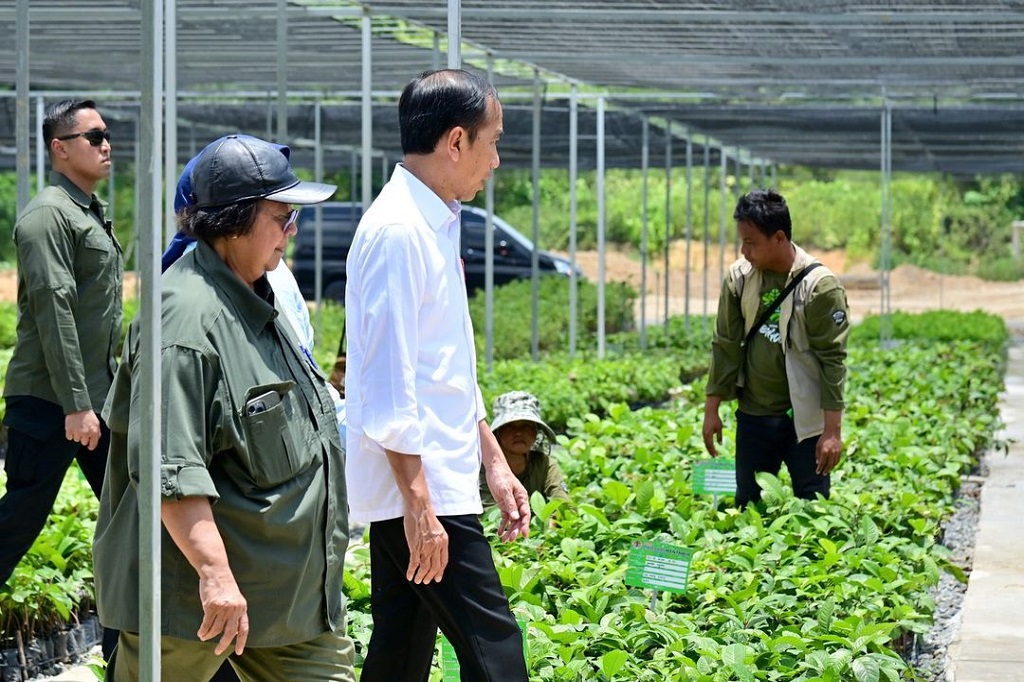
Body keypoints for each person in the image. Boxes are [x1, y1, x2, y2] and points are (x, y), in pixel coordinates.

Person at [93, 135, 355, 682]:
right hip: (197, 607)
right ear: (233, 223)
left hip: (285, 602)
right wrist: (215, 576)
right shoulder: (185, 324)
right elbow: (170, 469)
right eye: (282, 217)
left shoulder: (257, 296)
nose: (293, 230)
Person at [345, 69, 531, 681]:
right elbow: (387, 381)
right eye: (492, 141)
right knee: (497, 652)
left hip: (433, 478)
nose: (496, 160)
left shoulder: (434, 220)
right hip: (421, 488)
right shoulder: (399, 231)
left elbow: (446, 364)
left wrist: (494, 462)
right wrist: (419, 505)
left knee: (401, 651)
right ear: (456, 141)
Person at [0, 99, 122, 589]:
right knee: (18, 524)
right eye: (93, 137)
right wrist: (76, 405)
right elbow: (56, 311)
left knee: (132, 515)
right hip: (53, 402)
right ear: (60, 148)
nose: (106, 144)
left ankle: (131, 649)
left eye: (106, 135)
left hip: (92, 399)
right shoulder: (48, 216)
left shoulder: (87, 213)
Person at [702, 188, 850, 507]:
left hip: (804, 421)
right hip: (754, 416)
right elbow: (725, 343)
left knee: (812, 511)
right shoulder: (739, 279)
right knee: (748, 506)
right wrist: (711, 408)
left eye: (751, 242)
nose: (744, 251)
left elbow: (832, 361)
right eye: (741, 241)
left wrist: (832, 432)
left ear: (779, 238)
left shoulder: (819, 286)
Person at [480, 391, 569, 510]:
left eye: (526, 426)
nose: (518, 433)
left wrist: (551, 521)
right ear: (498, 433)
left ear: (536, 432)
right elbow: (487, 515)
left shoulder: (545, 465)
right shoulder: (485, 468)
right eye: (510, 426)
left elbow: (565, 507)